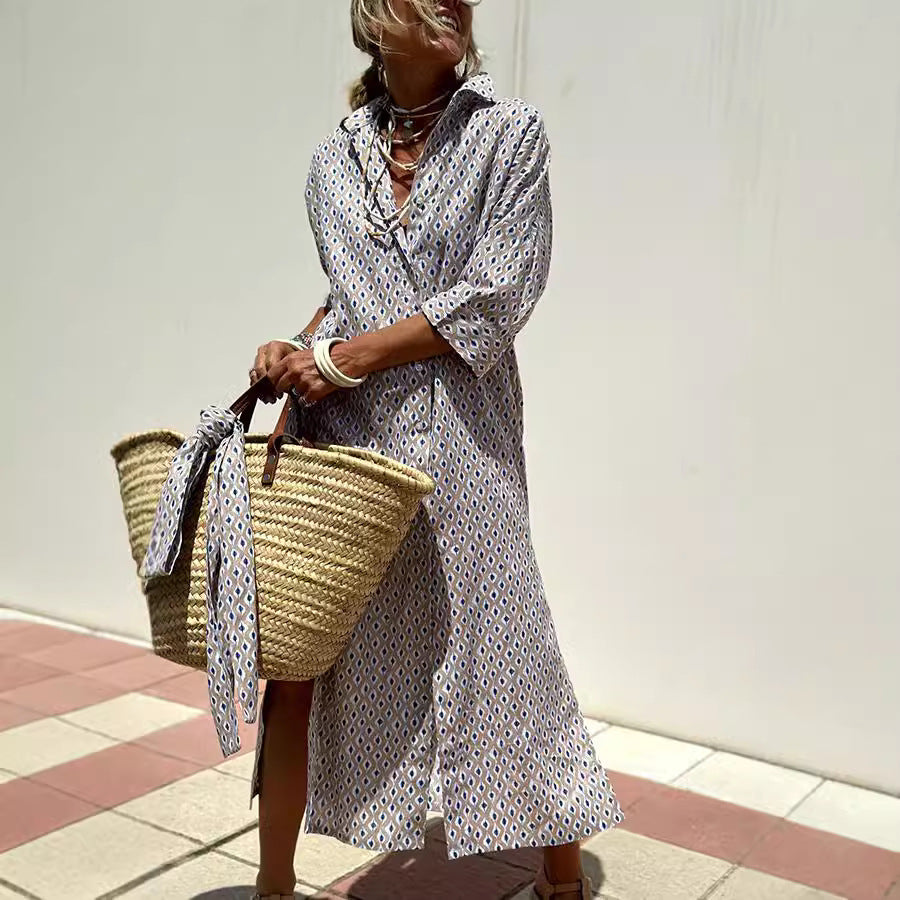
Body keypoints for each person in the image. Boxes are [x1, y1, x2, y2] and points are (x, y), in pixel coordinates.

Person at [248, 2, 623, 897]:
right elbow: (352, 292)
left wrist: (344, 358)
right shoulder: (331, 160)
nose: (455, 5)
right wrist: (296, 351)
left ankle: (561, 880)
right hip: (350, 446)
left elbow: (500, 292)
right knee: (302, 659)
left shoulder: (510, 135)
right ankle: (272, 886)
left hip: (467, 441)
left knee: (506, 652)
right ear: (377, 18)